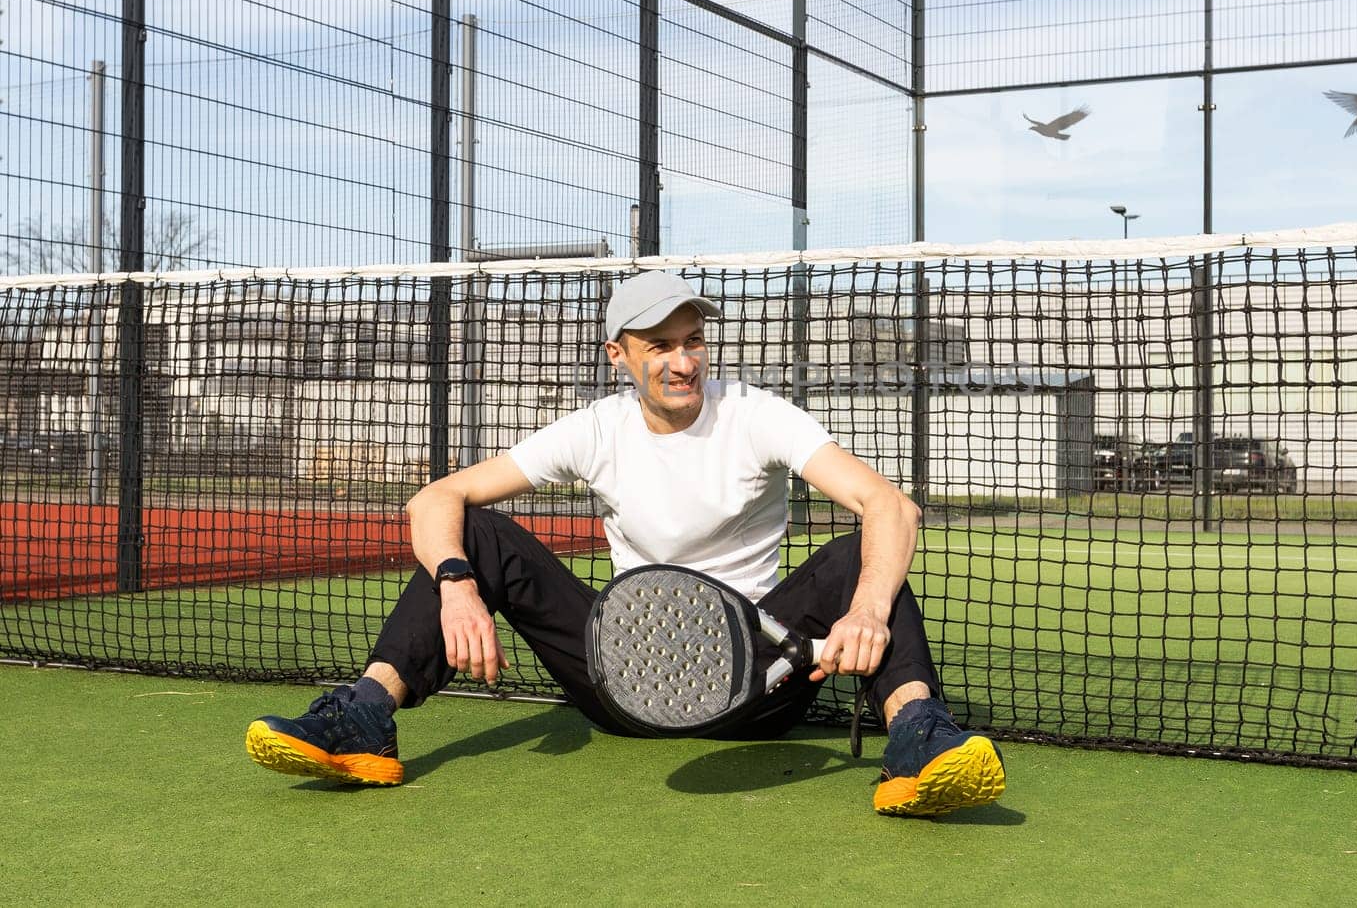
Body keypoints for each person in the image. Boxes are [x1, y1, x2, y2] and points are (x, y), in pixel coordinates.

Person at [245, 270, 1005, 817]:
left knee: (857, 557)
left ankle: (915, 736)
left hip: (758, 683)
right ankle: (364, 718)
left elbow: (889, 503)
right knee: (474, 532)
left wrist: (867, 607)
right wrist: (457, 584)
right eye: (661, 344)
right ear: (619, 355)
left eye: (694, 340)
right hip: (621, 679)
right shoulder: (596, 428)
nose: (684, 360)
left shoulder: (756, 414)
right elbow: (436, 498)